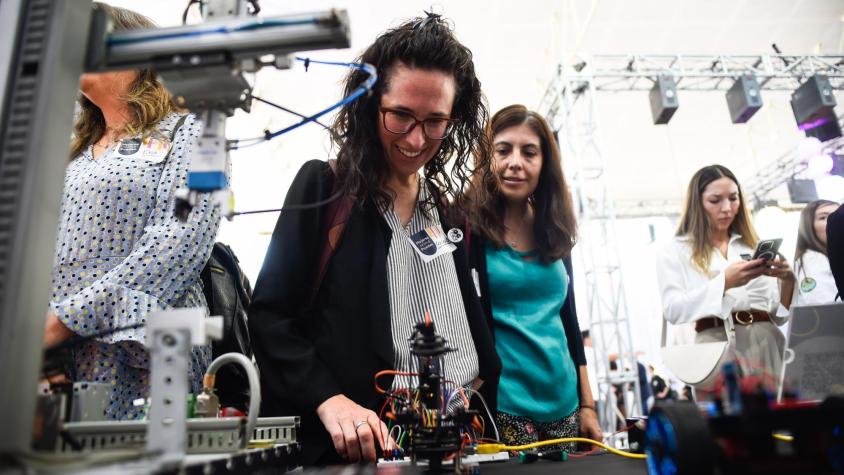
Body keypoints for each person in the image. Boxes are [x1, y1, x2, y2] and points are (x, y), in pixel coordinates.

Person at [248, 14, 500, 466]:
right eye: (400, 115)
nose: (417, 138)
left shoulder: (449, 214)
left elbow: (475, 329)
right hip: (354, 456)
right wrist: (329, 399)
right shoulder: (324, 191)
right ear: (370, 105)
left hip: (452, 451)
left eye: (435, 121)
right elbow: (270, 318)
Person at [43, 3, 220, 420]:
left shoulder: (192, 129)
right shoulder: (71, 148)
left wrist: (66, 320)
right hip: (60, 358)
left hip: (142, 351)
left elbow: (180, 240)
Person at [464, 104, 601, 450]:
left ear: (544, 164)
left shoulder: (555, 230)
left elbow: (569, 320)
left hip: (565, 405)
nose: (515, 163)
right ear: (487, 158)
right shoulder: (465, 228)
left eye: (529, 153)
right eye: (503, 150)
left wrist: (587, 404)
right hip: (502, 405)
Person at [655, 165, 795, 397]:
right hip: (714, 348)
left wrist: (787, 281)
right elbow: (673, 309)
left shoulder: (751, 244)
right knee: (726, 427)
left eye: (733, 198)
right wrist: (724, 283)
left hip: (767, 341)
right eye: (715, 200)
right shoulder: (674, 251)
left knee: (781, 425)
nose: (727, 208)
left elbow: (778, 316)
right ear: (697, 203)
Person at [794, 200, 840, 305]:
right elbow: (828, 306)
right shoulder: (812, 260)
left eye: (838, 216)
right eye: (823, 217)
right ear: (808, 227)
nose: (834, 221)